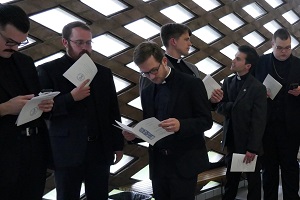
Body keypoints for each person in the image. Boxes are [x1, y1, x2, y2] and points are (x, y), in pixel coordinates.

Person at [37, 21, 124, 200]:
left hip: (99, 149)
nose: (85, 47)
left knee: (99, 196)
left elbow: (112, 111)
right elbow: (42, 111)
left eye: (89, 42)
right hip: (67, 150)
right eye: (79, 43)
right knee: (67, 196)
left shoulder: (103, 73)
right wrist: (70, 98)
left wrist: (117, 145)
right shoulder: (48, 70)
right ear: (65, 42)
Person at [123, 41, 213, 200]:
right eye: (145, 73)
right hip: (159, 166)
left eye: (153, 70)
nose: (151, 76)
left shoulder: (191, 83)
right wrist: (135, 135)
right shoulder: (147, 90)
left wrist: (181, 125)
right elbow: (150, 126)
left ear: (164, 61)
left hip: (184, 163)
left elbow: (206, 121)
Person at [0, 4, 54, 200]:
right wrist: (5, 108)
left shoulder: (25, 61)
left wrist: (44, 105)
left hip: (33, 152)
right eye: (9, 42)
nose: (14, 48)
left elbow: (34, 97)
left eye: (20, 43)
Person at [253, 28, 300, 200]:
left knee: (290, 167)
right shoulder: (261, 62)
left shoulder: (298, 64)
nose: (284, 52)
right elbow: (250, 88)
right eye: (280, 48)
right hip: (267, 126)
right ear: (272, 44)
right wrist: (259, 92)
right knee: (269, 169)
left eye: (288, 48)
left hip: (291, 127)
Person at [216, 45, 267, 200]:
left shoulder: (257, 88)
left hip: (249, 145)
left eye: (238, 59)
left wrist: (252, 148)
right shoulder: (228, 82)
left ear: (248, 65)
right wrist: (232, 106)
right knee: (231, 182)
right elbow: (220, 107)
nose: (233, 60)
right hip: (232, 141)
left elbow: (259, 120)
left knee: (253, 183)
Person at [139, 23, 223, 104]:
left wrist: (212, 100)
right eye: (186, 39)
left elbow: (199, 103)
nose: (190, 43)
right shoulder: (152, 68)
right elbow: (148, 103)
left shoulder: (193, 68)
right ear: (173, 41)